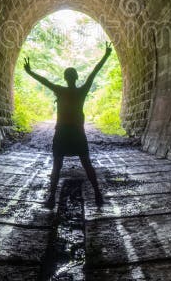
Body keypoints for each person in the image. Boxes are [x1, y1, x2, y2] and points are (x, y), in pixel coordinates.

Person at [23, 42, 112, 208]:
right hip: (78, 133)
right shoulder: (82, 91)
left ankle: (51, 198)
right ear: (76, 77)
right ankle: (98, 194)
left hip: (62, 133)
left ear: (65, 78)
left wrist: (29, 71)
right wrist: (106, 55)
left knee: (57, 165)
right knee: (87, 164)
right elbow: (94, 72)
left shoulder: (59, 90)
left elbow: (44, 80)